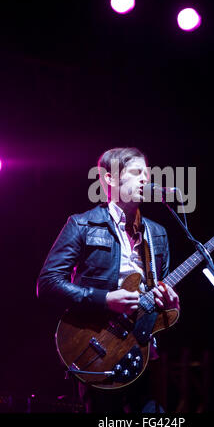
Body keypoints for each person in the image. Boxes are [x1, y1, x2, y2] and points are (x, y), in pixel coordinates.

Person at [37, 147, 180, 413]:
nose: (145, 180)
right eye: (137, 172)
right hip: (98, 349)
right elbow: (48, 283)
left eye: (147, 174)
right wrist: (105, 299)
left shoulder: (157, 233)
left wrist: (170, 304)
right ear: (109, 178)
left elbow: (159, 297)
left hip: (146, 353)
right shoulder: (82, 225)